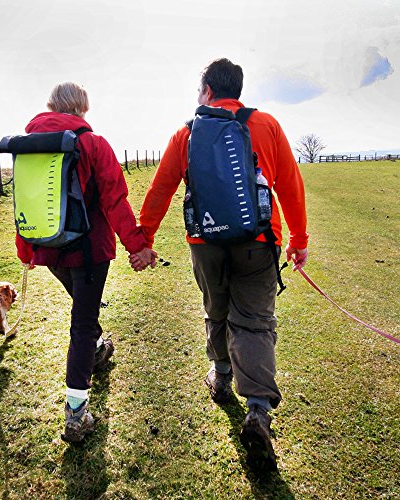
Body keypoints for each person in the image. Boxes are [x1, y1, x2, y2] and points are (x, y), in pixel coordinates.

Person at [130, 58, 309, 470]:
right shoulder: (267, 125)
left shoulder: (186, 133)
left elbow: (160, 189)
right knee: (255, 321)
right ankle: (258, 408)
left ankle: (222, 376)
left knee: (217, 309)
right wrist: (298, 240)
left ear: (208, 91)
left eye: (199, 90)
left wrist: (144, 241)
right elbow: (290, 185)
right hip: (258, 243)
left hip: (205, 243)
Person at [15, 81, 157, 442]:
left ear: (51, 107)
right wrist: (138, 246)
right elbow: (114, 201)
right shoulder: (93, 143)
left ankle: (96, 349)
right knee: (82, 321)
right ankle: (76, 415)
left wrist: (26, 251)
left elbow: (23, 200)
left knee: (84, 310)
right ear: (82, 108)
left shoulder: (29, 147)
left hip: (49, 250)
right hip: (89, 252)